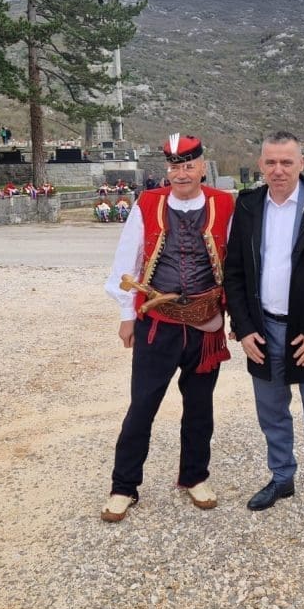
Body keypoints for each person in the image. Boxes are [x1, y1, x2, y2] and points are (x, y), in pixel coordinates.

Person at [224, 131, 304, 549]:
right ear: (261, 164)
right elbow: (234, 272)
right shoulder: (248, 205)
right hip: (262, 330)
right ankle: (282, 477)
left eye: (286, 162)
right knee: (272, 414)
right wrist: (244, 328)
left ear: (301, 164)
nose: (278, 170)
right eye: (271, 162)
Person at [102, 134, 235, 522]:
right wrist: (127, 314)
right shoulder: (148, 203)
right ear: (168, 169)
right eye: (176, 167)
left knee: (200, 407)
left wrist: (239, 319)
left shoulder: (225, 204)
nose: (182, 173)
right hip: (157, 324)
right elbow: (127, 261)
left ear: (202, 166)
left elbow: (237, 264)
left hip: (206, 324)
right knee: (142, 406)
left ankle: (195, 477)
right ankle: (123, 486)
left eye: (189, 165)